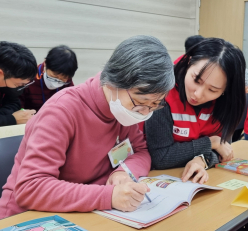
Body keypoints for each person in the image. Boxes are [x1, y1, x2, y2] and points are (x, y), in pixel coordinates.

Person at [0, 35, 175, 218]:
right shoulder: (62, 111)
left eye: (155, 105)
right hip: (29, 216)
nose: (145, 112)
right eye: (141, 102)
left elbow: (141, 151)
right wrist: (108, 196)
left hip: (86, 211)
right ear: (113, 82)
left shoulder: (122, 111)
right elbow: (31, 188)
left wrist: (123, 172)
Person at [145, 38, 246, 184]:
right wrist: (211, 143)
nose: (197, 94)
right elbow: (161, 156)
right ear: (188, 63)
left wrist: (201, 160)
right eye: (196, 80)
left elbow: (224, 151)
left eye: (212, 90)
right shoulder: (162, 94)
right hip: (158, 177)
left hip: (193, 181)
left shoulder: (225, 104)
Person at [19, 45, 78, 112]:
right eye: (54, 76)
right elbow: (18, 106)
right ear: (45, 63)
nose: (57, 81)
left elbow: (71, 102)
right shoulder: (28, 78)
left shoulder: (67, 80)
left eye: (62, 79)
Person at [0, 42, 37, 126]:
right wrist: (11, 119)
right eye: (18, 85)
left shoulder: (7, 83)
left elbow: (15, 102)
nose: (20, 88)